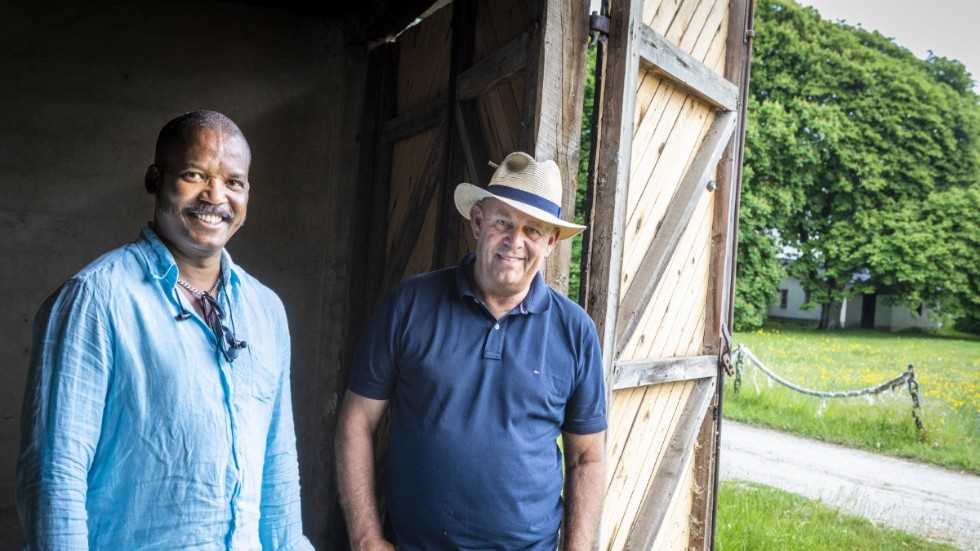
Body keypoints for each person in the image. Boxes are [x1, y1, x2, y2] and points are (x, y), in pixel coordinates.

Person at [16, 110, 314, 550]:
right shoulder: (96, 299)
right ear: (155, 178)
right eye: (195, 175)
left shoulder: (266, 311)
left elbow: (278, 470)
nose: (216, 195)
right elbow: (54, 474)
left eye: (234, 182)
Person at [336, 152, 607, 550]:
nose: (516, 241)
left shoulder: (575, 331)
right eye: (503, 222)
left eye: (533, 230)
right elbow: (356, 420)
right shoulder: (410, 304)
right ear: (478, 222)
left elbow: (587, 458)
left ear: (550, 242)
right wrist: (365, 538)